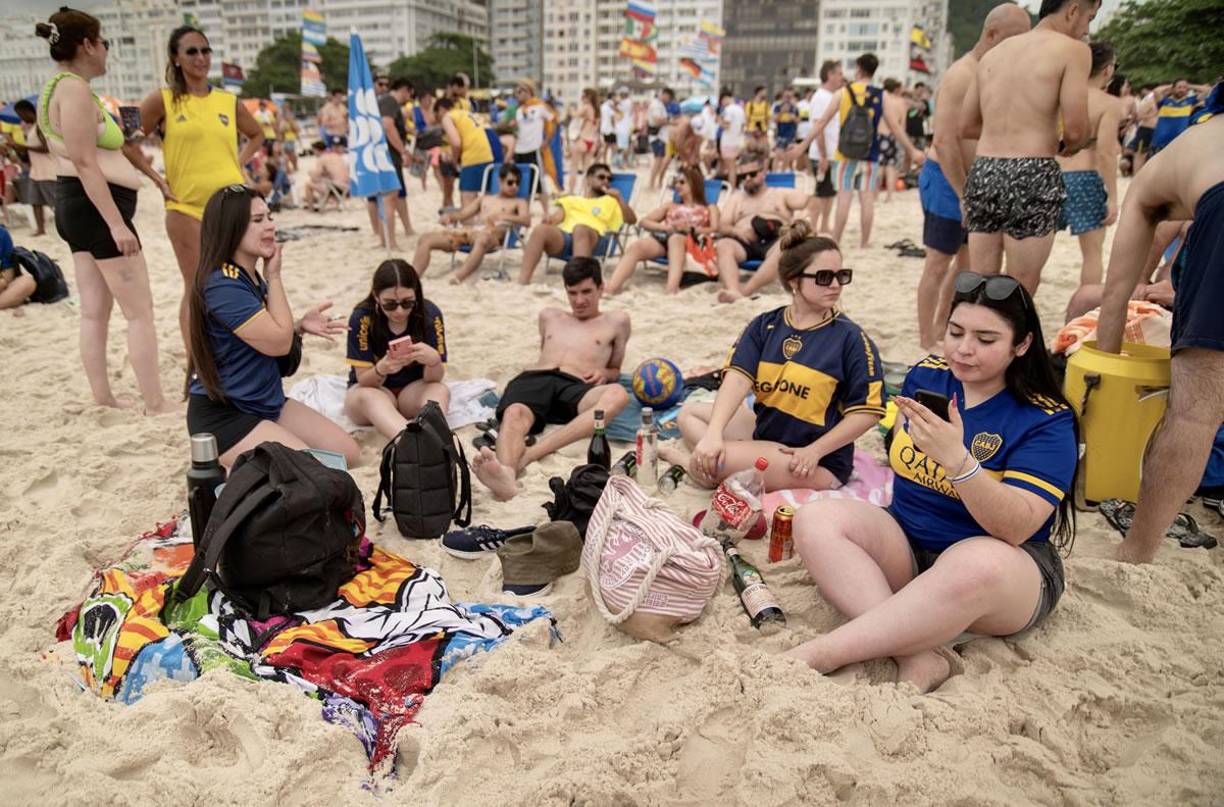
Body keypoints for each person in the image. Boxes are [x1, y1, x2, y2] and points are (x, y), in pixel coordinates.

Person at [786, 271, 1076, 693]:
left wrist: (959, 461)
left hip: (1005, 573)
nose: (964, 348)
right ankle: (915, 652)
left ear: (1023, 344)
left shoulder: (1045, 418)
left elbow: (1015, 528)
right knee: (816, 519)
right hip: (910, 545)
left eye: (986, 339)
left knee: (976, 561)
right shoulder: (928, 376)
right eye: (955, 332)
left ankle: (824, 653)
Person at [1094, 86, 1224, 564]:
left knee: (1196, 409)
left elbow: (1117, 289)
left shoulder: (1177, 158)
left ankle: (1138, 549)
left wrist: (1106, 362)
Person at [671, 225, 884, 491]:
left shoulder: (850, 338)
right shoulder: (766, 325)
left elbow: (868, 411)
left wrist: (815, 451)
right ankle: (721, 459)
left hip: (811, 457)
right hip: (767, 430)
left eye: (842, 275)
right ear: (794, 281)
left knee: (716, 461)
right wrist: (713, 434)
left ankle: (691, 463)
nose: (835, 285)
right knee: (688, 415)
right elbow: (737, 380)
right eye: (824, 277)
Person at [36, 8, 171, 414]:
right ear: (87, 45)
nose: (107, 51)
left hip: (78, 207)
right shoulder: (74, 89)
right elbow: (83, 161)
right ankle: (155, 403)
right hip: (95, 209)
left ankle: (104, 397)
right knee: (139, 312)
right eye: (104, 42)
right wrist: (116, 223)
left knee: (95, 312)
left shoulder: (58, 89)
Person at [186, 184, 357, 468]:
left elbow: (273, 337)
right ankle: (234, 467)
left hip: (265, 401)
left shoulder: (249, 275)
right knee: (311, 471)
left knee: (346, 454)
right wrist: (275, 276)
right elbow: (278, 343)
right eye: (257, 220)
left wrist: (299, 326)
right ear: (231, 228)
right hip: (227, 415)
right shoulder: (223, 283)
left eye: (269, 217)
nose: (270, 226)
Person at [138, 25, 264, 352]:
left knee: (239, 280)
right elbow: (124, 141)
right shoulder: (162, 99)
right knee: (197, 286)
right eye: (191, 51)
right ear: (176, 58)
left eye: (205, 50)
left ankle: (234, 352)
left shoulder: (227, 100)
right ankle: (197, 363)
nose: (200, 57)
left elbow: (258, 134)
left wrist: (239, 164)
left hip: (232, 206)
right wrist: (157, 179)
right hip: (186, 207)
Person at [958, 0, 1099, 294]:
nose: (1087, 29)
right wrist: (1068, 145)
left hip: (985, 169)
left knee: (981, 280)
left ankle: (979, 336)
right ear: (1073, 10)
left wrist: (1005, 130)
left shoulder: (993, 55)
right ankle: (1014, 340)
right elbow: (1075, 130)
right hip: (1033, 170)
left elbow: (967, 126)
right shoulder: (1073, 51)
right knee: (1020, 285)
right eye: (1090, 17)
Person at [916, 3, 1031, 352]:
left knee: (966, 264)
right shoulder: (962, 74)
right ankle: (925, 337)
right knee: (938, 262)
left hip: (973, 182)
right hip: (947, 179)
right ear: (992, 34)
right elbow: (944, 141)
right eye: (1015, 39)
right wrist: (963, 193)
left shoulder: (992, 72)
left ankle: (941, 326)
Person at [472, 257, 631, 501]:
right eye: (572, 293)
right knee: (514, 413)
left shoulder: (616, 321)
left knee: (618, 394)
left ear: (601, 288)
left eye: (587, 292)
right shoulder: (550, 316)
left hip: (577, 386)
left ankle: (530, 454)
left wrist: (605, 374)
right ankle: (506, 475)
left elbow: (615, 368)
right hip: (537, 378)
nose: (579, 300)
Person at [794, 53, 924, 248]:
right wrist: (912, 150)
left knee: (844, 198)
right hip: (870, 155)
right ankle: (864, 242)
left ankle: (836, 239)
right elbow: (895, 127)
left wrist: (802, 146)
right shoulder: (881, 95)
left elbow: (822, 122)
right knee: (867, 200)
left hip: (845, 154)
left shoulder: (843, 92)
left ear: (858, 68)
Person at [344, 259, 449, 441]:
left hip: (413, 389)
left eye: (407, 303)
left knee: (439, 392)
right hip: (374, 389)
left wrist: (433, 360)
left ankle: (429, 439)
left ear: (416, 294)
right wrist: (381, 369)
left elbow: (433, 380)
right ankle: (408, 441)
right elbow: (363, 380)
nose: (399, 311)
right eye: (390, 304)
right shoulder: (362, 318)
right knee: (370, 398)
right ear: (376, 297)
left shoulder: (430, 314)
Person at [1056, 42, 1123, 288]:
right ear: (1107, 70)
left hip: (1050, 173)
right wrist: (1113, 197)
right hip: (1084, 177)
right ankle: (1084, 314)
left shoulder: (1060, 95)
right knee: (1092, 255)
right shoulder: (1108, 104)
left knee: (1032, 253)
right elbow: (1105, 153)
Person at [713, 152, 819, 301]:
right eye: (743, 176)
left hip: (775, 239)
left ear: (763, 172)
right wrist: (736, 230)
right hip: (744, 242)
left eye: (752, 174)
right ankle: (733, 289)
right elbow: (722, 225)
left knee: (786, 247)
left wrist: (802, 217)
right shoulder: (736, 198)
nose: (748, 179)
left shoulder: (780, 193)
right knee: (723, 245)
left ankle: (747, 290)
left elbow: (811, 201)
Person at [606, 165, 720, 295]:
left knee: (676, 239)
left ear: (694, 185)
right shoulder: (671, 205)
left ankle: (671, 289)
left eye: (682, 182)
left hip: (692, 243)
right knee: (637, 246)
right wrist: (667, 228)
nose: (677, 185)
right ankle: (612, 287)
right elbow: (644, 222)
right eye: (676, 182)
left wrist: (690, 229)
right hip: (667, 238)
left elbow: (715, 229)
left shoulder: (710, 208)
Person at [517, 163, 636, 285]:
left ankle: (579, 283)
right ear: (589, 179)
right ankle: (522, 282)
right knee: (541, 230)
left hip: (596, 239)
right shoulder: (571, 200)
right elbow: (555, 219)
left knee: (580, 229)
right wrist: (548, 220)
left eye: (609, 179)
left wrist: (620, 198)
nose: (606, 181)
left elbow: (631, 221)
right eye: (601, 177)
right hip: (567, 238)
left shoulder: (612, 201)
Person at [412, 163, 530, 283]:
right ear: (500, 181)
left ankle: (458, 277)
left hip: (492, 234)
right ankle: (413, 278)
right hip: (469, 232)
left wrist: (504, 216)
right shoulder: (485, 199)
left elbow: (526, 220)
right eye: (510, 182)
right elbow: (463, 214)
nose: (515, 186)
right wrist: (450, 217)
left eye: (518, 183)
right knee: (425, 239)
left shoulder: (519, 202)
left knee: (483, 239)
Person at [369, 77, 414, 249]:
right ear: (405, 89)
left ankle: (384, 240)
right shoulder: (390, 101)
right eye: (409, 94)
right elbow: (387, 125)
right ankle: (390, 243)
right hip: (387, 156)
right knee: (389, 198)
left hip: (381, 155)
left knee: (384, 198)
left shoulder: (383, 101)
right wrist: (403, 151)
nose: (408, 99)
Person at [9, 100, 56, 236]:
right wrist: (15, 148)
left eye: (21, 115)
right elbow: (27, 156)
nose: (21, 119)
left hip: (48, 171)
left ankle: (67, 226)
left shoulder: (40, 127)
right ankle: (40, 229)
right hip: (35, 171)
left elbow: (47, 147)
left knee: (56, 203)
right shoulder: (29, 130)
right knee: (35, 201)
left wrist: (23, 147)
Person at [438, 95, 495, 209]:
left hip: (473, 157)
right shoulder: (467, 114)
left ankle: (471, 223)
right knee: (488, 197)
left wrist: (454, 161)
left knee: (467, 198)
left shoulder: (447, 116)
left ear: (441, 109)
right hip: (488, 155)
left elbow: (456, 143)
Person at [808, 62, 845, 233]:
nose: (841, 77)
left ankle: (824, 224)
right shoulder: (820, 97)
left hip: (833, 153)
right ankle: (814, 225)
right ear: (829, 75)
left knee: (830, 193)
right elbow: (818, 128)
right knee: (819, 192)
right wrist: (822, 155)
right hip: (820, 153)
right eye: (838, 74)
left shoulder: (832, 96)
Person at [511, 79, 555, 218]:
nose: (518, 94)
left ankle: (546, 212)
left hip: (534, 148)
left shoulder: (540, 107)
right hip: (519, 149)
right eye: (517, 92)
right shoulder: (518, 110)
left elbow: (553, 120)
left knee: (539, 182)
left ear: (529, 91)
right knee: (522, 182)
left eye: (521, 91)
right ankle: (525, 211)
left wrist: (547, 140)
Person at [1149, 79, 1212, 155]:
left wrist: (1189, 85)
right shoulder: (1164, 101)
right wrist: (1171, 85)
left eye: (1184, 88)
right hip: (1160, 141)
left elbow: (1207, 90)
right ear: (1173, 89)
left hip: (1180, 141)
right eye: (1179, 87)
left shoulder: (1190, 101)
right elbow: (1156, 91)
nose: (1182, 90)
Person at [303, 138, 349, 211]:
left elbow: (315, 177)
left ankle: (310, 208)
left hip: (337, 189)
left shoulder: (322, 159)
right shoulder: (336, 155)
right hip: (348, 188)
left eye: (314, 151)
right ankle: (321, 203)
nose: (314, 153)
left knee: (308, 184)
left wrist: (310, 173)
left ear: (317, 150)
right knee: (325, 181)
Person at [0, 224, 38, 309]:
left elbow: (8, 274)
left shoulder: (2, 234)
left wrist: (3, 281)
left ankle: (5, 301)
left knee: (28, 283)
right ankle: (8, 301)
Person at [572, 88, 600, 193]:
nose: (581, 98)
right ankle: (586, 192)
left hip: (582, 140)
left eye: (583, 96)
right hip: (592, 141)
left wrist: (570, 110)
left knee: (573, 169)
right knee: (587, 170)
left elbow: (575, 115)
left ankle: (570, 192)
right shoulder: (597, 110)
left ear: (588, 97)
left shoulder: (587, 107)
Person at [646, 88, 674, 190]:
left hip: (660, 137)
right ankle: (652, 183)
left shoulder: (659, 104)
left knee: (659, 159)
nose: (668, 100)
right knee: (658, 160)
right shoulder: (656, 105)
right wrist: (668, 120)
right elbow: (657, 120)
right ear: (664, 95)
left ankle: (653, 183)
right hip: (657, 136)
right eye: (668, 98)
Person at [718, 90, 746, 184]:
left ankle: (732, 188)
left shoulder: (728, 110)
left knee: (730, 168)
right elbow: (742, 127)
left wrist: (719, 121)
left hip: (728, 142)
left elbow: (726, 125)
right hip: (738, 141)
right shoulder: (740, 109)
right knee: (733, 167)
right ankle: (732, 186)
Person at [773, 88, 800, 170]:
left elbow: (798, 121)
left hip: (791, 135)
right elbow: (774, 119)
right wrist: (781, 112)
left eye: (789, 96)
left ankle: (783, 172)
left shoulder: (795, 108)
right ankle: (775, 174)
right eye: (786, 96)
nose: (787, 98)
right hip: (781, 134)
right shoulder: (778, 107)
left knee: (788, 157)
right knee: (778, 155)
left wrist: (792, 116)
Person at [746, 86, 770, 152]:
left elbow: (768, 118)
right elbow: (747, 118)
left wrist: (766, 129)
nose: (765, 94)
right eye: (764, 92)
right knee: (751, 149)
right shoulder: (750, 104)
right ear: (759, 92)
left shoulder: (766, 105)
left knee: (763, 150)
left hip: (763, 131)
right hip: (751, 130)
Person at [278, 101, 300, 172]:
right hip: (289, 137)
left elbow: (283, 129)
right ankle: (293, 166)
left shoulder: (287, 116)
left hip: (288, 137)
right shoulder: (288, 115)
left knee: (289, 153)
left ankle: (293, 167)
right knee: (290, 153)